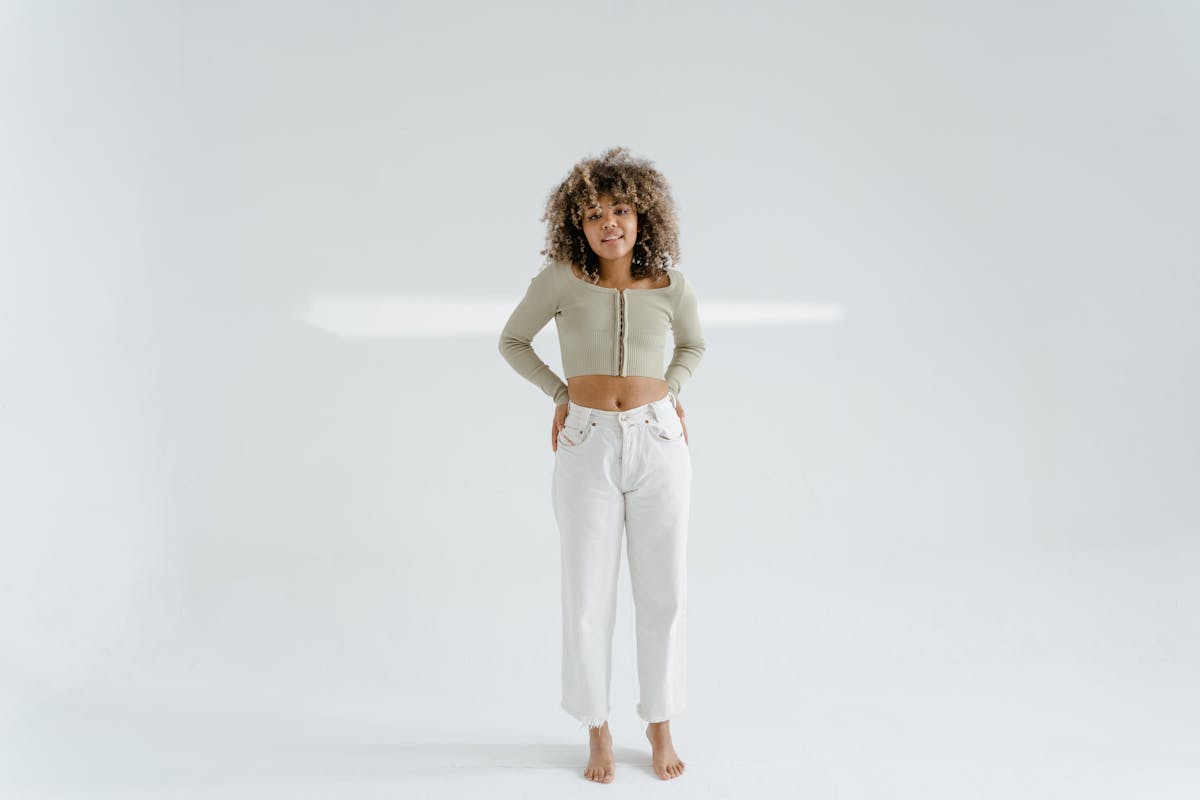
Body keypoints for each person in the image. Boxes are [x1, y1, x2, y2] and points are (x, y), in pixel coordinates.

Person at [498, 147, 706, 783]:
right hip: (587, 444)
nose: (609, 223)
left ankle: (660, 720)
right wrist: (562, 396)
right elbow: (512, 341)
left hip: (659, 441)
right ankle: (597, 727)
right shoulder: (561, 280)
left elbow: (694, 345)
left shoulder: (671, 286)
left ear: (643, 216)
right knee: (587, 591)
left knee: (662, 589)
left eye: (621, 210)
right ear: (576, 224)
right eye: (594, 214)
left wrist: (671, 391)